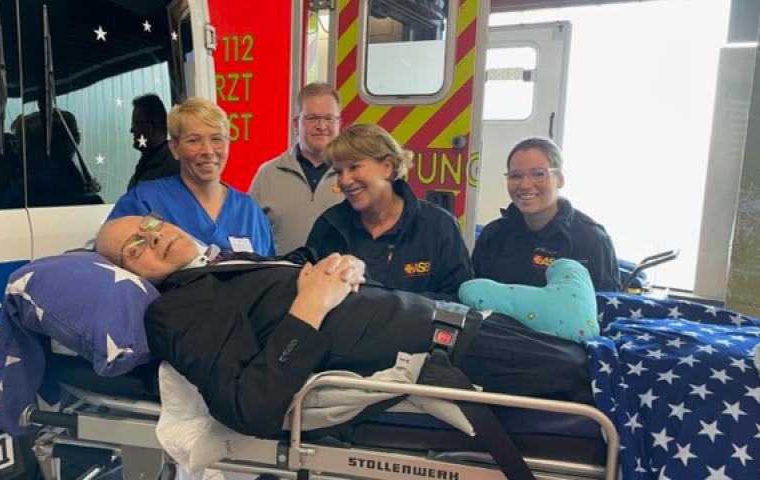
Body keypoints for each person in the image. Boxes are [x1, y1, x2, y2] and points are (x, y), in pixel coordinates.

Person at [95, 215, 592, 438]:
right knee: (610, 384)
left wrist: (348, 266)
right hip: (458, 354)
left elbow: (309, 270)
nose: (151, 238)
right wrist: (309, 305)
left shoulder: (223, 263)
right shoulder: (177, 307)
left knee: (604, 355)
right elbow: (249, 406)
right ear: (129, 274)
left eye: (148, 225)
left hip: (461, 323)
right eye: (134, 248)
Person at [306, 124, 471, 300]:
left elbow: (459, 301)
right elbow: (307, 294)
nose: (344, 181)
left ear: (387, 167)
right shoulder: (328, 226)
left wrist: (394, 307)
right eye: (339, 172)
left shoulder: (439, 227)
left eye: (354, 167)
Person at [108, 97, 274, 255]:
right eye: (194, 140)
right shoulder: (145, 201)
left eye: (216, 139)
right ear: (174, 148)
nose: (207, 151)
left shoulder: (250, 212)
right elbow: (108, 257)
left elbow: (269, 271)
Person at [471, 137, 620, 291]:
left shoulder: (592, 241)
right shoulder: (493, 235)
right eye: (515, 175)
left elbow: (604, 303)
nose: (525, 185)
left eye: (538, 174)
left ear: (560, 179)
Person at [249, 82, 344, 254]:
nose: (321, 126)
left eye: (329, 118)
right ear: (296, 124)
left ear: (340, 123)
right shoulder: (268, 174)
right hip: (281, 272)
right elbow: (248, 234)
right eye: (312, 118)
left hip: (339, 272)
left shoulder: (353, 175)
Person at [127, 94, 180, 190]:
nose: (132, 129)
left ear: (151, 126)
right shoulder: (146, 165)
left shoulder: (173, 169)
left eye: (136, 123)